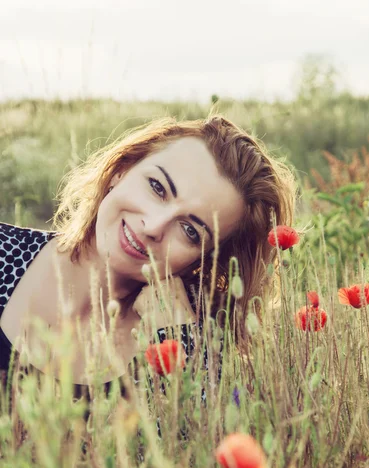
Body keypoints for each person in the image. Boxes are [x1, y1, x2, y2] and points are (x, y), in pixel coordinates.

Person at [0, 114, 296, 391]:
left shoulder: (191, 349)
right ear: (122, 169)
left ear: (203, 262)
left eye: (190, 231)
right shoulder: (4, 251)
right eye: (157, 187)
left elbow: (186, 439)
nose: (154, 226)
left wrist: (176, 332)